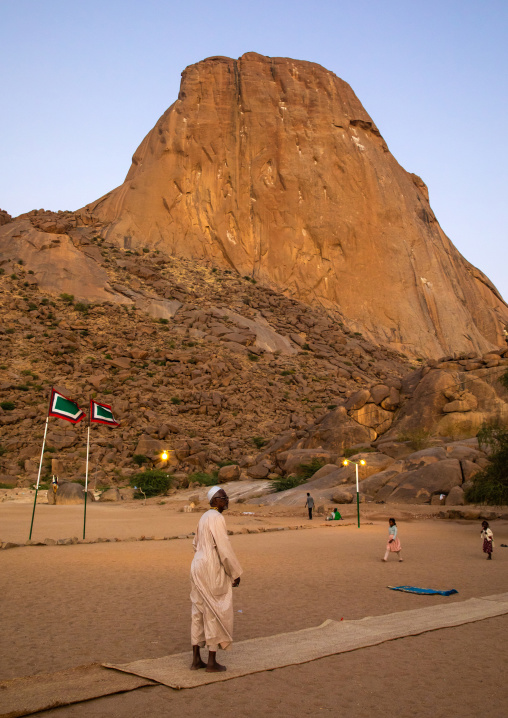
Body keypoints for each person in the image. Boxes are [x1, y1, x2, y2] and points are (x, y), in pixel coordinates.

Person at [190, 486, 242, 673]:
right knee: (215, 610)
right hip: (211, 566)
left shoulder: (203, 517)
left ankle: (196, 659)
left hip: (197, 564)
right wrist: (234, 572)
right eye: (223, 497)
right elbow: (224, 548)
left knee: (198, 610)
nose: (226, 500)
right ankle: (211, 661)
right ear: (214, 501)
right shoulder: (217, 518)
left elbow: (195, 543)